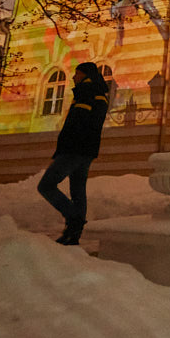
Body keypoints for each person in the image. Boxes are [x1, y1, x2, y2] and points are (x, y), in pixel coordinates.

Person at [37, 61, 109, 245]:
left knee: (46, 185)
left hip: (74, 148)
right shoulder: (100, 93)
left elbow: (78, 122)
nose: (73, 77)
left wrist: (65, 145)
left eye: (77, 73)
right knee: (78, 190)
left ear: (85, 75)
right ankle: (74, 233)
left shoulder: (85, 92)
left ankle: (74, 219)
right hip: (88, 149)